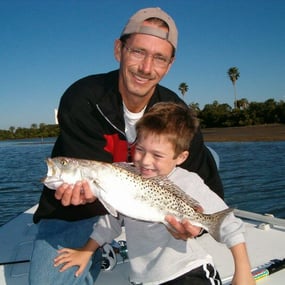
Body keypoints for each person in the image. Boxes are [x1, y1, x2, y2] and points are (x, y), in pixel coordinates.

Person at [30, 7, 224, 284]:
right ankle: (103, 246)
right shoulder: (82, 98)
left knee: (209, 159)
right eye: (138, 52)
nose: (146, 68)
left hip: (147, 204)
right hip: (81, 213)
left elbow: (209, 184)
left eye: (159, 58)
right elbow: (78, 178)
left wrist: (196, 227)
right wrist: (79, 198)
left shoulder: (175, 112)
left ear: (169, 65)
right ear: (119, 50)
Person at [54, 102, 255, 285]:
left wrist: (243, 271)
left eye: (157, 155)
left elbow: (227, 223)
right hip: (143, 279)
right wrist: (86, 252)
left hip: (187, 272)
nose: (145, 161)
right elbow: (109, 223)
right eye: (140, 150)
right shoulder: (120, 175)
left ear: (181, 157)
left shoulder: (188, 181)